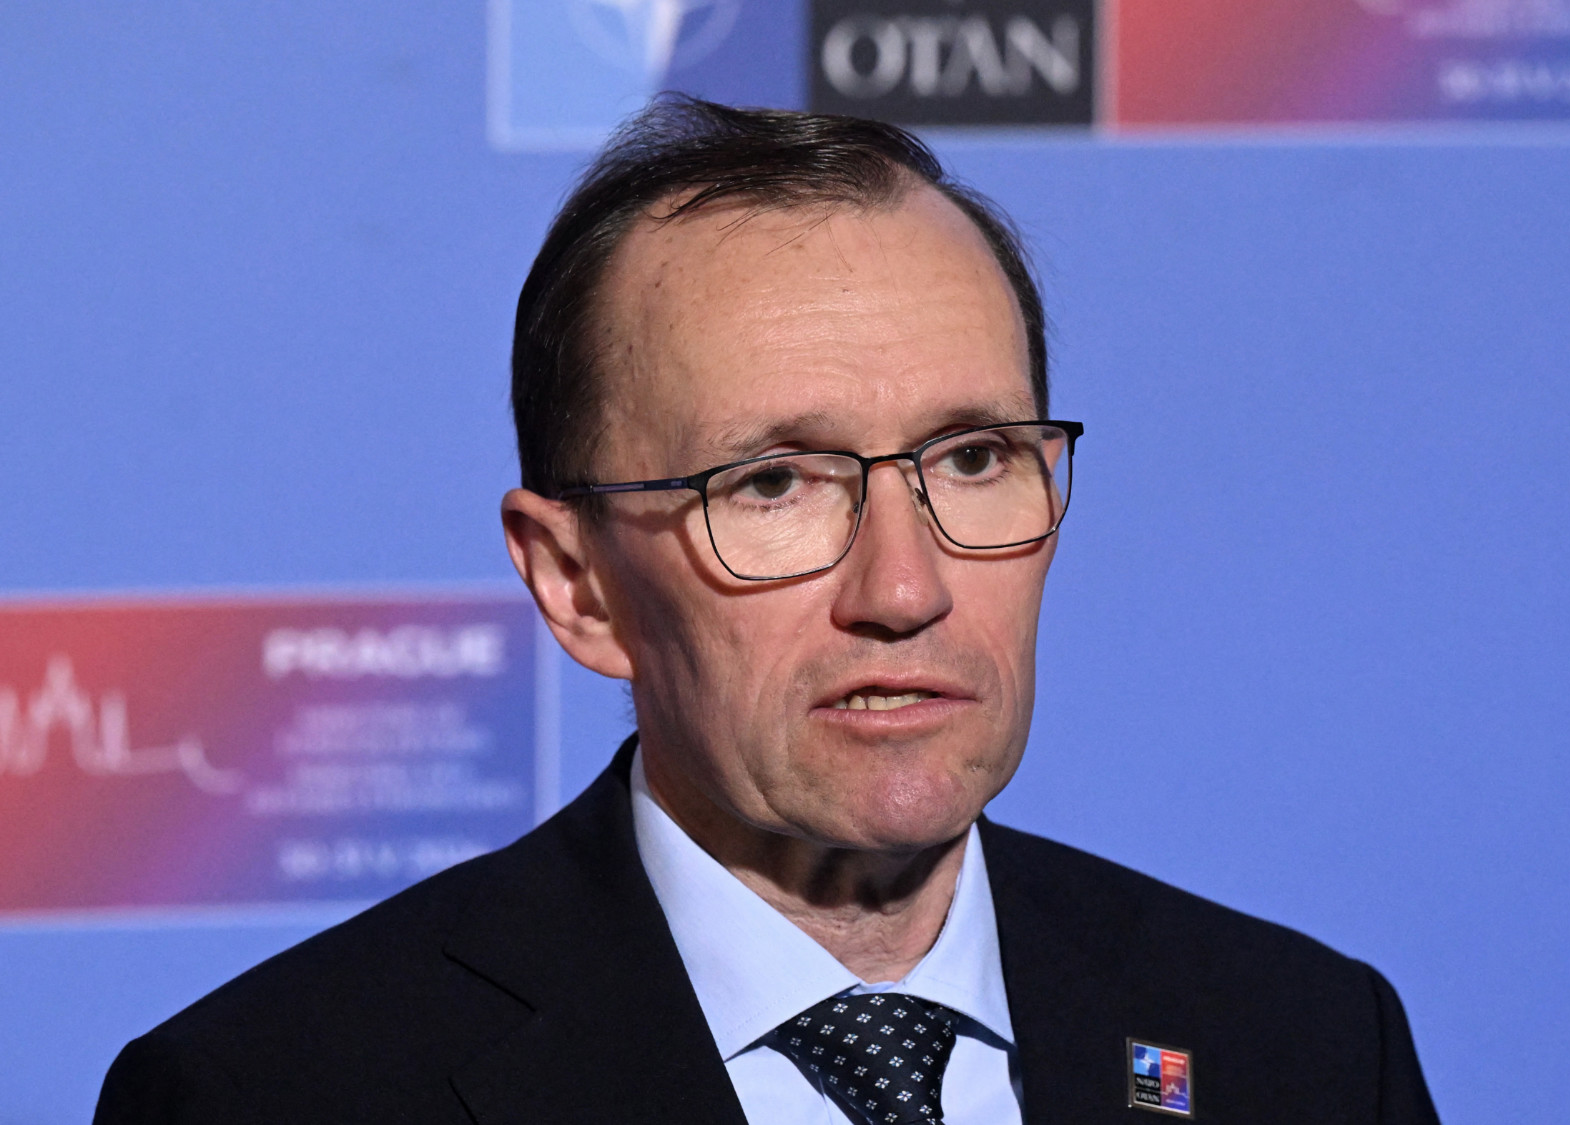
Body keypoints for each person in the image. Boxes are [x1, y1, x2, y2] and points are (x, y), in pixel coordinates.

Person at [94, 98, 1439, 1124]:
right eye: (777, 482)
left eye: (973, 458)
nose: (904, 589)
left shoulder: (1304, 1046)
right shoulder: (277, 1094)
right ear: (577, 584)